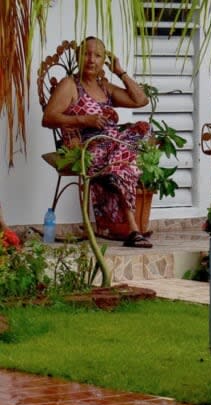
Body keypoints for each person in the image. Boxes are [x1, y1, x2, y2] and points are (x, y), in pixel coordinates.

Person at [41, 36, 153, 247]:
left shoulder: (105, 87)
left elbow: (141, 100)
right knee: (124, 163)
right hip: (88, 149)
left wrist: (120, 72)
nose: (91, 59)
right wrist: (84, 119)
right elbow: (48, 118)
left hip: (114, 145)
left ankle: (130, 227)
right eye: (86, 54)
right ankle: (134, 230)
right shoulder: (69, 85)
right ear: (78, 57)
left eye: (98, 55)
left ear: (104, 61)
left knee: (144, 130)